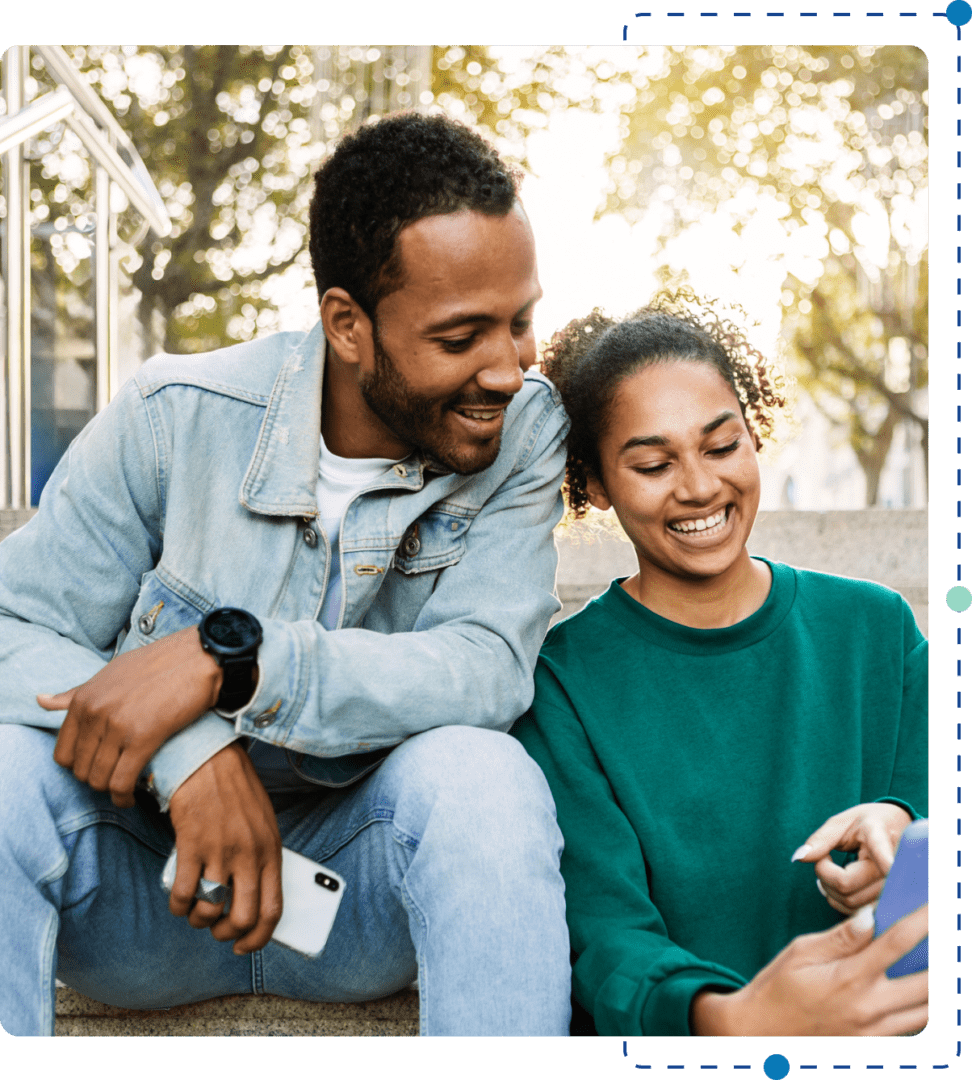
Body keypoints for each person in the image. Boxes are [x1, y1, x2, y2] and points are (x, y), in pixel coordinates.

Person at [0, 112, 573, 1038]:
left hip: (355, 898)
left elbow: (486, 666)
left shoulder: (521, 431)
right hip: (150, 888)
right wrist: (191, 754)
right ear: (348, 324)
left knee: (486, 776)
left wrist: (242, 666)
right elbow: (11, 626)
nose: (508, 368)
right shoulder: (174, 416)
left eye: (521, 321)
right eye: (463, 335)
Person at [510, 290, 929, 1037]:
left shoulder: (879, 630)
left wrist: (900, 825)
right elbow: (606, 939)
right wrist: (734, 1018)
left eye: (722, 444)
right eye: (652, 462)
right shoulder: (561, 686)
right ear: (597, 482)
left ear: (754, 434)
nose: (700, 486)